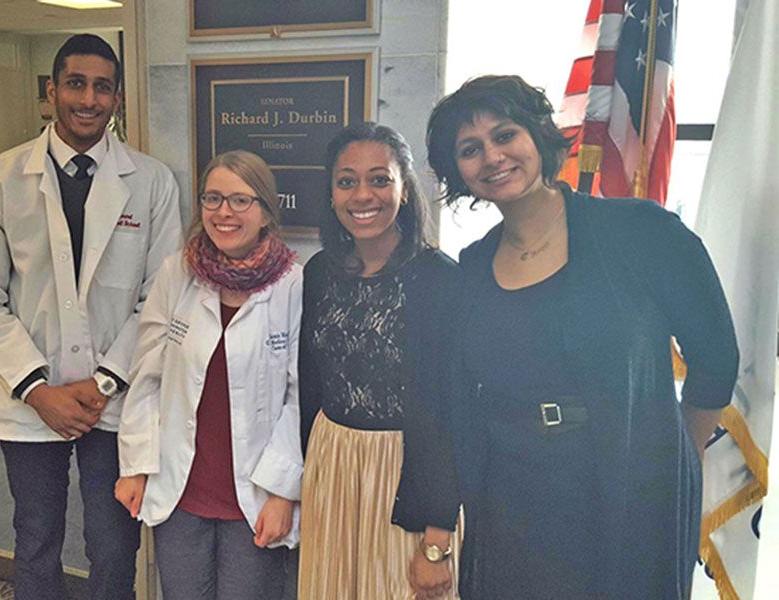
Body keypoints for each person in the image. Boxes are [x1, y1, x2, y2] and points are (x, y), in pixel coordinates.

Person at [425, 75, 738, 599]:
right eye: (471, 149)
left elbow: (716, 360)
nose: (493, 157)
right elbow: (463, 397)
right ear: (458, 170)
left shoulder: (642, 231)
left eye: (505, 135)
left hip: (628, 489)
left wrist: (675, 450)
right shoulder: (473, 266)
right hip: (511, 500)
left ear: (538, 136)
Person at [0, 33, 182, 600]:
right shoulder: (1, 179)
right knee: (35, 539)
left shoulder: (150, 182)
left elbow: (162, 297)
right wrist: (37, 388)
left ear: (118, 99)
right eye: (75, 83)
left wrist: (104, 383)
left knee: (113, 542)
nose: (88, 98)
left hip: (115, 395)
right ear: (51, 91)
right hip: (32, 397)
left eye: (103, 87)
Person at [114, 150, 303, 599]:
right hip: (181, 489)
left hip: (254, 495)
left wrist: (282, 492)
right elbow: (147, 376)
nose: (224, 212)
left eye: (240, 200)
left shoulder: (293, 284)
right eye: (213, 198)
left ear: (265, 211)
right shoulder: (177, 273)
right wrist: (136, 466)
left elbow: (299, 396)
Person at [297, 123, 461, 600]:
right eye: (347, 181)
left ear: (404, 189)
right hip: (332, 465)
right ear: (330, 194)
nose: (362, 194)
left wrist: (436, 541)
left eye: (379, 179)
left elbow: (451, 414)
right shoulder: (320, 272)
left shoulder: (439, 280)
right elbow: (311, 384)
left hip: (405, 476)